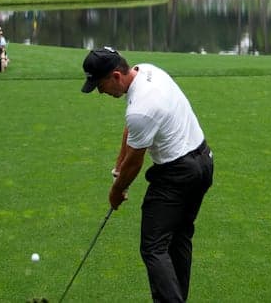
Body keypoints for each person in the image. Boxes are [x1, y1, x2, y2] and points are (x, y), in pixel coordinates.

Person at [80, 47, 214, 302]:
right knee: (179, 237)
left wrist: (116, 190)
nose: (100, 91)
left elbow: (135, 163)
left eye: (100, 84)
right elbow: (131, 131)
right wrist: (118, 163)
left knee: (153, 247)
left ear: (116, 76)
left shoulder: (141, 108)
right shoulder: (147, 71)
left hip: (177, 175)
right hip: (203, 163)